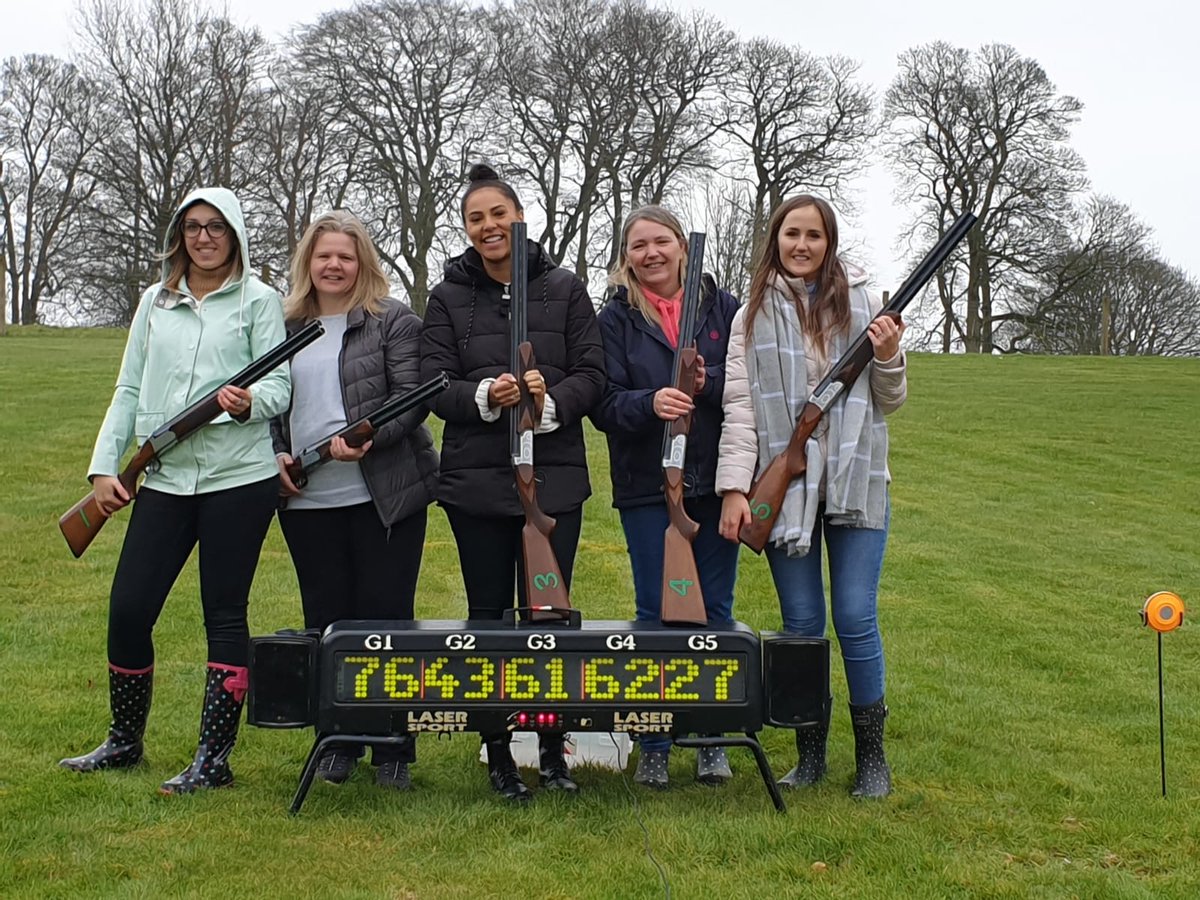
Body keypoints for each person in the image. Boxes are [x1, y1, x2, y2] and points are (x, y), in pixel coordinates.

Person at [60, 187, 290, 794]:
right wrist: (106, 469)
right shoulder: (154, 302)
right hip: (161, 476)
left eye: (216, 227)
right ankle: (124, 740)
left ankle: (213, 758)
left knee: (224, 613)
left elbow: (278, 390)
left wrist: (244, 406)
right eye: (193, 227)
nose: (205, 237)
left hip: (238, 479)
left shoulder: (260, 301)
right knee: (130, 608)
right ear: (179, 235)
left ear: (235, 234)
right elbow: (128, 389)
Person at [420, 163, 605, 802]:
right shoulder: (446, 299)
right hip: (475, 484)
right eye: (476, 218)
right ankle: (497, 750)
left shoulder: (564, 287)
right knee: (488, 618)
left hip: (554, 482)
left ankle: (553, 749)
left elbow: (591, 373)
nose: (489, 226)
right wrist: (484, 395)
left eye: (498, 214)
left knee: (549, 616)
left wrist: (546, 403)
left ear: (519, 217)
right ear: (466, 228)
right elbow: (432, 384)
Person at [716, 195, 907, 798]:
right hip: (787, 482)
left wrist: (886, 355)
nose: (802, 245)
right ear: (776, 240)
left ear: (830, 243)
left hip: (857, 479)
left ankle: (873, 760)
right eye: (792, 234)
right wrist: (735, 490)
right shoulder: (750, 317)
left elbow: (890, 400)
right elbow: (742, 412)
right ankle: (811, 753)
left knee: (854, 616)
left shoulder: (865, 307)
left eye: (815, 236)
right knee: (802, 623)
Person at [271, 210, 438, 791]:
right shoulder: (285, 324)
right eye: (323, 256)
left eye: (345, 255)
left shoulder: (392, 321)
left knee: (385, 619)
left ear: (362, 261)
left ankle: (392, 744)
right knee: (326, 622)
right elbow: (271, 404)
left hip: (385, 495)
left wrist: (368, 436)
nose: (334, 265)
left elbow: (412, 398)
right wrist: (275, 457)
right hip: (308, 500)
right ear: (307, 263)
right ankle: (337, 738)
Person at [591, 205, 740, 790]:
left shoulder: (723, 308)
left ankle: (711, 736)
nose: (650, 254)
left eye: (661, 242)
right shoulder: (616, 319)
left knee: (714, 613)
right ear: (626, 256)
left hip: (715, 479)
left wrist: (708, 385)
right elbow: (602, 403)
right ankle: (653, 738)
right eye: (637, 246)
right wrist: (649, 402)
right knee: (655, 614)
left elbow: (750, 386)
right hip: (647, 488)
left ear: (682, 245)